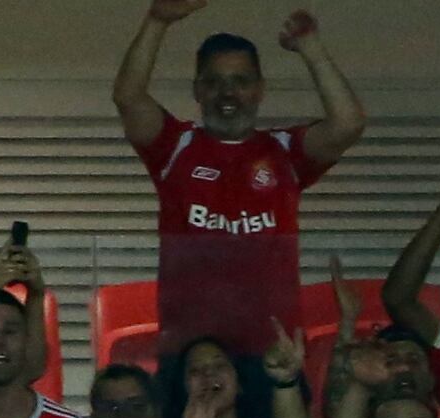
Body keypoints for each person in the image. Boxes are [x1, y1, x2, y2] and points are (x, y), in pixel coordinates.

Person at [112, 0, 369, 362]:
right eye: (214, 82)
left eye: (241, 81)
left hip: (272, 353)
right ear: (198, 91)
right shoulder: (175, 146)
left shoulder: (284, 151)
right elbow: (128, 96)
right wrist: (157, 22)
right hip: (191, 357)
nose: (227, 93)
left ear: (260, 89)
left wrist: (311, 47)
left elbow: (348, 124)